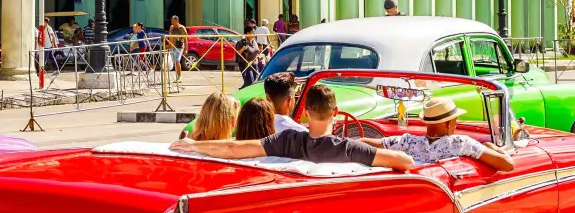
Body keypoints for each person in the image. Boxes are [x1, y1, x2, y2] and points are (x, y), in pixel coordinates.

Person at [171, 83, 413, 170]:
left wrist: (195, 145)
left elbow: (234, 149)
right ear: (336, 113)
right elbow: (405, 161)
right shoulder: (349, 148)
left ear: (305, 113)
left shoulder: (286, 140)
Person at [363, 98, 514, 171]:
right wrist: (491, 146)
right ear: (448, 123)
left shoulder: (407, 141)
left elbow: (365, 142)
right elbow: (507, 165)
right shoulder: (461, 143)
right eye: (455, 121)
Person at [166, 15, 189, 84]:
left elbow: (185, 39)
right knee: (173, 62)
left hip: (179, 46)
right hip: (172, 46)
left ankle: (179, 76)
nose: (172, 22)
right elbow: (170, 37)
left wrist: (185, 49)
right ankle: (175, 76)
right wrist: (169, 45)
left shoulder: (182, 28)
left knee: (177, 61)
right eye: (171, 21)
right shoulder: (171, 27)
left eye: (173, 21)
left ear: (177, 21)